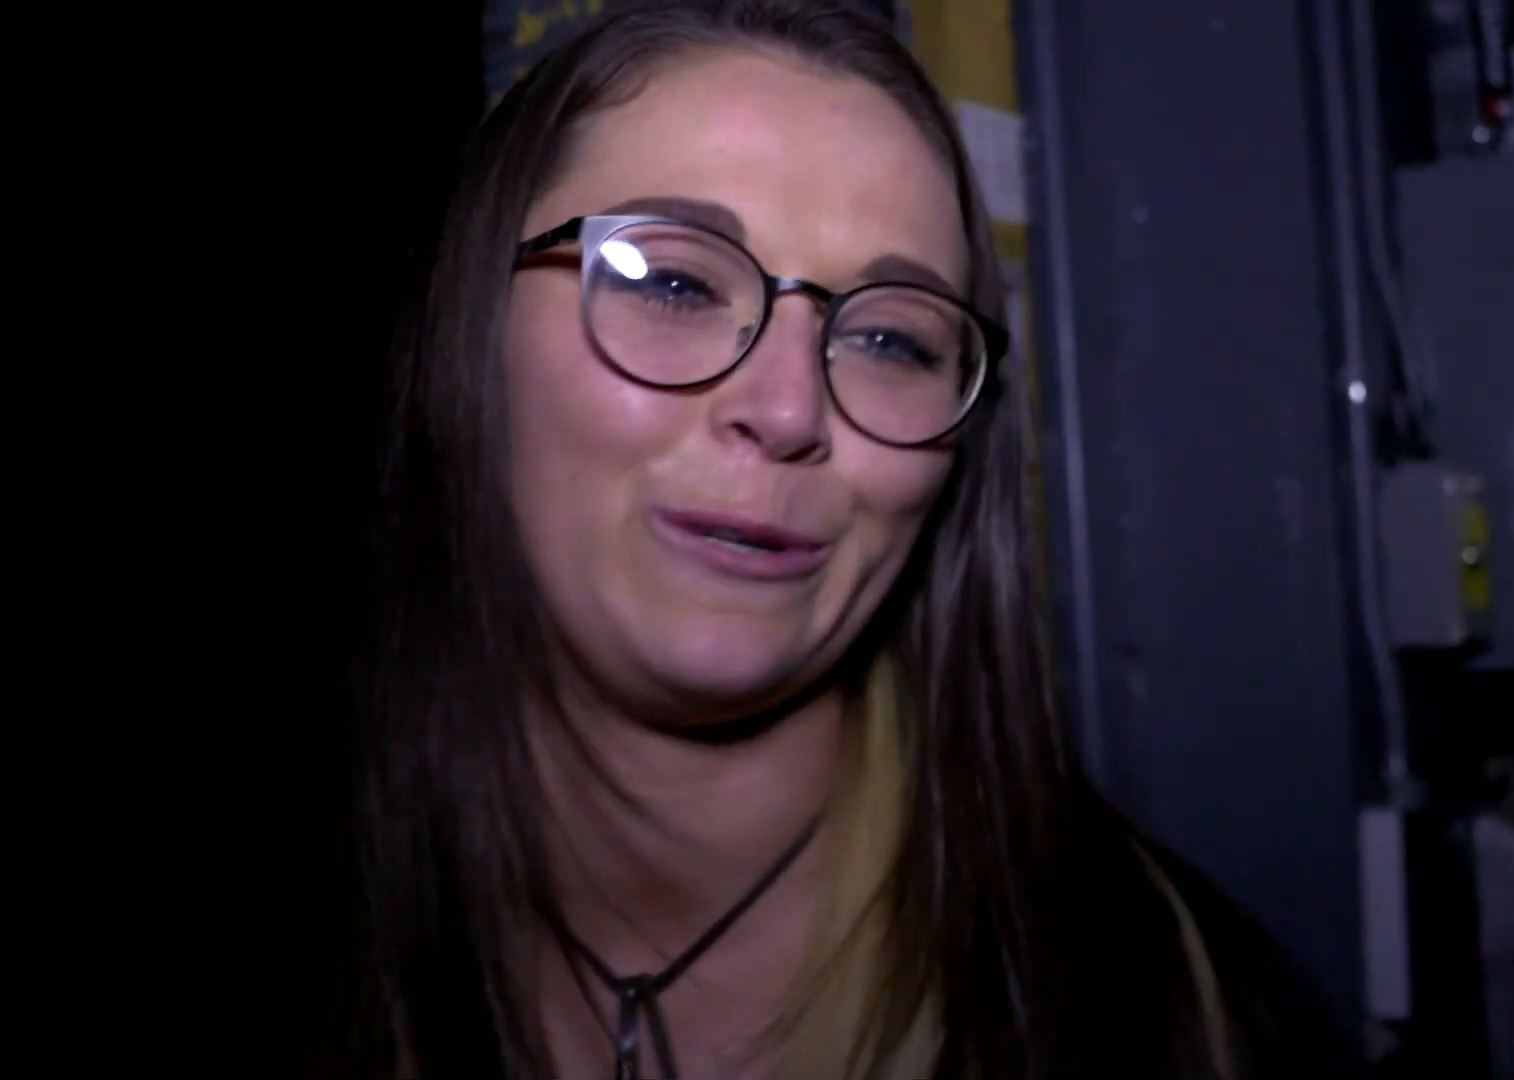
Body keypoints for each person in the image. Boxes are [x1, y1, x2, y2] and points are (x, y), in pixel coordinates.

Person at [332, 2, 1358, 1077]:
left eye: (889, 340)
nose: (787, 410)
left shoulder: (1178, 1021)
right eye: (673, 283)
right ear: (469, 328)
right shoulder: (293, 946)